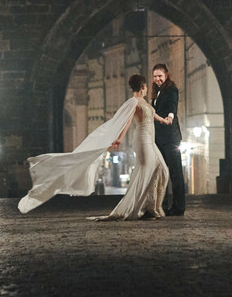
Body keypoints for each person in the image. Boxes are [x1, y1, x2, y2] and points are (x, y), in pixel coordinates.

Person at [18, 74, 170, 221]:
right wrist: (119, 138)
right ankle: (143, 208)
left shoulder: (145, 103)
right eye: (145, 86)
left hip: (151, 140)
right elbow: (127, 121)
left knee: (161, 168)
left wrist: (164, 120)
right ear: (143, 86)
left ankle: (150, 206)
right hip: (142, 140)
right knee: (147, 171)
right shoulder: (133, 102)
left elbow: (152, 115)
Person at [153, 63, 184, 216]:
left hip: (171, 137)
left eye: (160, 76)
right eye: (155, 76)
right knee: (162, 172)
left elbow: (173, 106)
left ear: (166, 75)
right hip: (159, 138)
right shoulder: (156, 92)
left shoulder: (171, 89)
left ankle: (179, 207)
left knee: (175, 172)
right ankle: (163, 205)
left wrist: (170, 117)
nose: (157, 79)